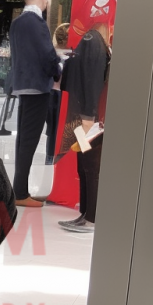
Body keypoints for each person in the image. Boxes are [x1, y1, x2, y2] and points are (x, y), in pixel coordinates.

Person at [7, 0, 62, 207]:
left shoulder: (17, 23)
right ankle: (20, 193)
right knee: (29, 140)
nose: (48, 0)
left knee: (23, 139)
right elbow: (48, 56)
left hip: (22, 85)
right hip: (38, 87)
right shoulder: (36, 22)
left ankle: (19, 190)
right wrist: (58, 71)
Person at [58, 23, 111, 233]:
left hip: (87, 118)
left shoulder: (92, 42)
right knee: (85, 164)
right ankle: (86, 214)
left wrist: (89, 114)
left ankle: (90, 218)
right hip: (87, 116)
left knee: (89, 165)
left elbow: (91, 80)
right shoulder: (97, 43)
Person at [45, 24, 72, 164]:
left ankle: (50, 157)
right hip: (62, 94)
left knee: (52, 130)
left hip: (51, 93)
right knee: (59, 129)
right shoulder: (71, 54)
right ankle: (56, 158)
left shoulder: (51, 52)